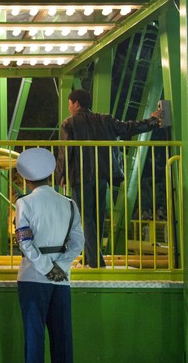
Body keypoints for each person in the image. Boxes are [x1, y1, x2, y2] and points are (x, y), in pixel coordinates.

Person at [55, 89, 162, 268]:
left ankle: (95, 260)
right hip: (102, 175)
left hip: (80, 177)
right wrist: (152, 120)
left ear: (76, 103)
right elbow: (129, 127)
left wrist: (61, 174)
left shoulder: (69, 123)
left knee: (85, 218)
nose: (69, 108)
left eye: (69, 104)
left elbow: (65, 152)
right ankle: (92, 258)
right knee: (97, 217)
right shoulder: (105, 120)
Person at [13, 147, 84, 363]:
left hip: (33, 276)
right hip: (61, 279)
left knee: (34, 332)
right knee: (61, 331)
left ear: (26, 178)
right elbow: (78, 242)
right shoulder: (69, 204)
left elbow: (25, 241)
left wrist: (45, 268)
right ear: (50, 174)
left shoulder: (24, 203)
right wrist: (60, 267)